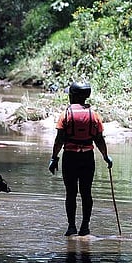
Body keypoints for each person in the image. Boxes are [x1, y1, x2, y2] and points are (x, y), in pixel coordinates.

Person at [49, 82, 113, 236]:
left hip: (70, 158)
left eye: (70, 94)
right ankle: (85, 227)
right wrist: (105, 156)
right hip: (87, 158)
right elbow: (99, 140)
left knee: (71, 193)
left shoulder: (65, 115)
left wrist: (54, 158)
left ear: (74, 96)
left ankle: (71, 227)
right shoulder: (94, 115)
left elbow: (59, 140)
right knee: (86, 193)